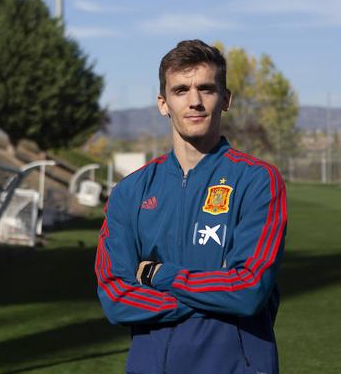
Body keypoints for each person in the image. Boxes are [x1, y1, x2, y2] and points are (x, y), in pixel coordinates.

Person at [95, 39, 286, 374]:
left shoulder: (257, 181)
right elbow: (116, 297)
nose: (194, 101)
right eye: (181, 89)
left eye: (206, 89)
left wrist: (159, 274)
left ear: (225, 99)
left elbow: (248, 289)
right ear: (163, 103)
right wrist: (211, 293)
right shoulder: (130, 192)